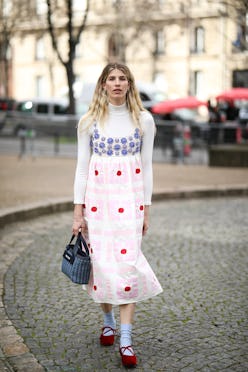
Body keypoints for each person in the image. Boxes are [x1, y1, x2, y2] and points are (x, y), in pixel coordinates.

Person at [72, 62, 163, 368]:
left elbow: (147, 166)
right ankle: (108, 318)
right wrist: (77, 212)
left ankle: (125, 339)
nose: (117, 83)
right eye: (111, 78)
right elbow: (82, 168)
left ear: (129, 84)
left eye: (122, 78)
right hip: (97, 203)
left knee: (126, 264)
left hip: (131, 202)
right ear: (103, 85)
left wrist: (146, 209)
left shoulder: (144, 120)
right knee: (102, 265)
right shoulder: (89, 122)